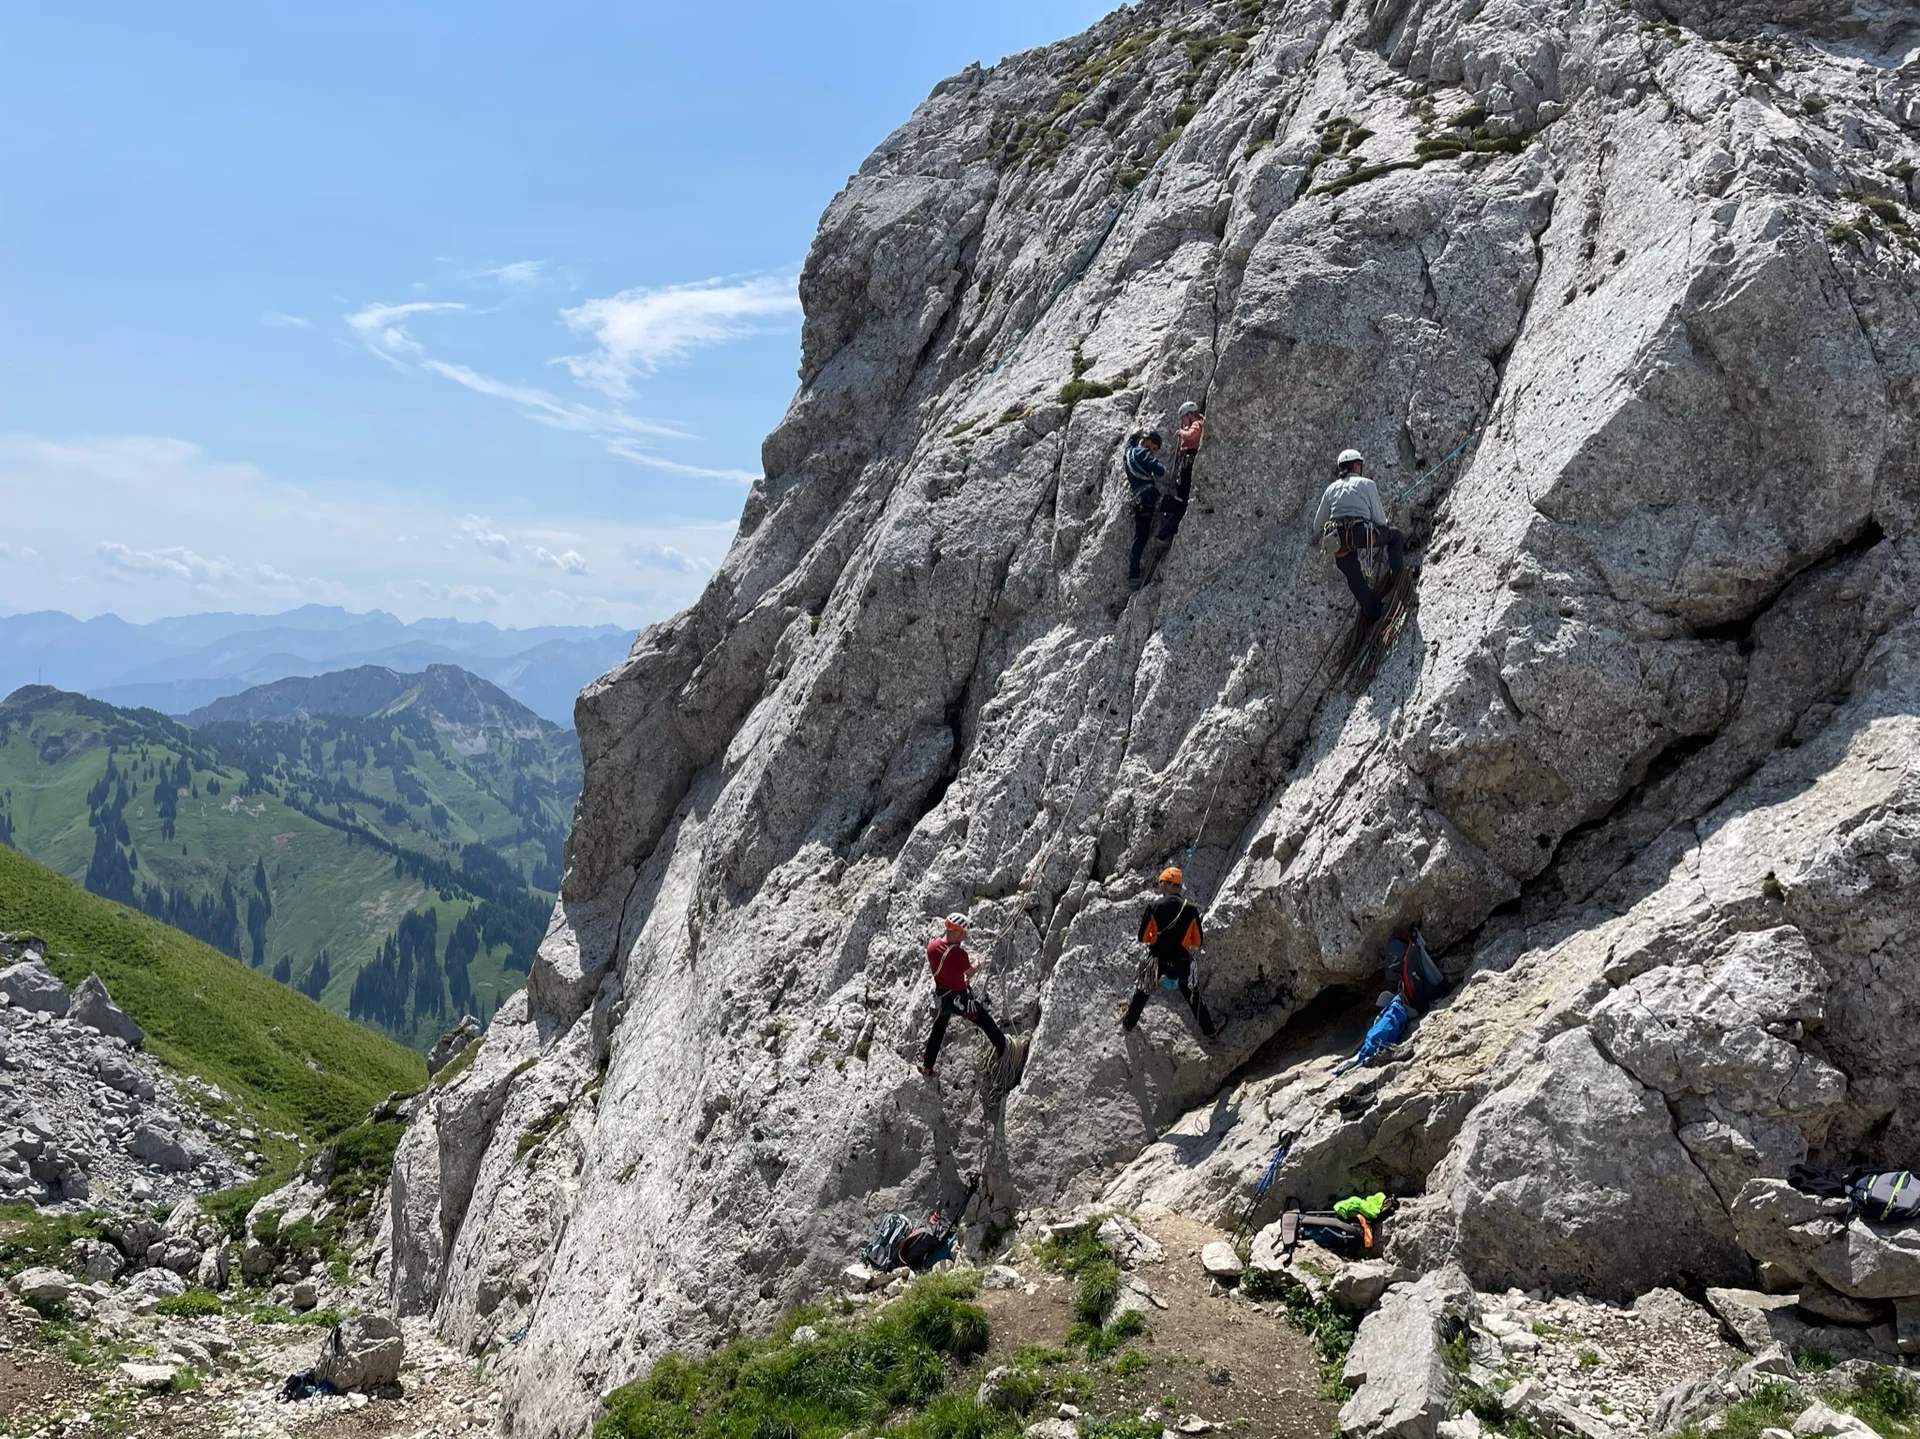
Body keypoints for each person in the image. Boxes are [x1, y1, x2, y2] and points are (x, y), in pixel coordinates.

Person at [1120, 867, 1226, 1038]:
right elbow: (1198, 941)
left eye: (1160, 883)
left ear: (1165, 883)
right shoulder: (1190, 909)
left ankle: (1128, 1023)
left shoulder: (1153, 907)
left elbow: (1143, 937)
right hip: (1181, 960)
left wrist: (1157, 936)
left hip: (1157, 959)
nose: (1160, 887)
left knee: (1143, 990)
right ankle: (1210, 1030)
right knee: (1192, 994)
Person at [1310, 448, 1406, 624]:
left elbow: (1318, 524)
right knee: (1395, 537)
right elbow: (1379, 519)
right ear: (1357, 465)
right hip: (1362, 533)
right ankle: (1398, 579)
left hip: (1337, 539)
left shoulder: (1331, 489)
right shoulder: (1367, 484)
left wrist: (1317, 535)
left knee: (1352, 573)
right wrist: (1382, 525)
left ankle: (1371, 612)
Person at [920, 912, 1008, 1076]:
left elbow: (946, 969)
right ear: (956, 931)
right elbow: (969, 972)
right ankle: (1006, 1050)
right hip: (960, 999)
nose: (964, 937)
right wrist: (977, 964)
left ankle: (927, 1067)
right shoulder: (959, 955)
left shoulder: (931, 947)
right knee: (986, 1023)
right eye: (963, 933)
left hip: (941, 997)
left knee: (937, 1031)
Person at [1124, 430, 1168, 587]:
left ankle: (1133, 574)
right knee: (1179, 506)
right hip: (1150, 496)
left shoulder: (1128, 453)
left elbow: (1128, 443)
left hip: (1139, 501)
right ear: (1148, 440)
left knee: (1140, 537)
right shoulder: (1144, 453)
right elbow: (1160, 470)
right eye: (1154, 448)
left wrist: (1134, 435)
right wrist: (1160, 467)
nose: (1154, 452)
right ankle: (1163, 535)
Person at [1159, 402, 1205, 543]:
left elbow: (1192, 435)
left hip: (1188, 462)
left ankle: (1169, 522)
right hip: (1185, 461)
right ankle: (1171, 513)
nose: (1183, 422)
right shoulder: (1192, 424)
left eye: (1183, 418)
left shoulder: (1197, 423)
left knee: (1183, 498)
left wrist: (1182, 432)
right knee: (1181, 496)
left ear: (1189, 415)